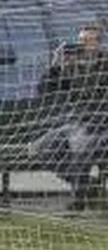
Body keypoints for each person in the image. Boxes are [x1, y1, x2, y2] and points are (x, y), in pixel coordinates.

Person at [33, 22, 108, 210]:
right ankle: (89, 188)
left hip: (103, 124)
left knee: (82, 146)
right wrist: (55, 66)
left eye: (90, 41)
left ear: (99, 44)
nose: (85, 46)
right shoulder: (71, 67)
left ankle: (79, 197)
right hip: (79, 123)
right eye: (82, 41)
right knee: (41, 148)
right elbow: (44, 90)